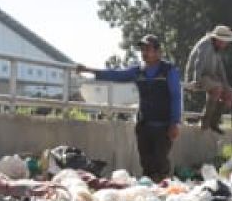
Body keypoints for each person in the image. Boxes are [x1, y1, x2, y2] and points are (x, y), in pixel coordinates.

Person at [75, 36, 182, 182]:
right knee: (145, 160)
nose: (144, 53)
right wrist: (90, 70)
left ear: (158, 52)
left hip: (163, 125)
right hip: (144, 123)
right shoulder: (138, 71)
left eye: (148, 49)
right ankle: (150, 189)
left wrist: (175, 123)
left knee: (160, 161)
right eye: (142, 49)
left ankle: (161, 186)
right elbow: (116, 74)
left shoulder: (168, 70)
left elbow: (176, 96)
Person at [184, 24, 232, 131]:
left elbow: (220, 69)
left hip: (209, 76)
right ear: (218, 39)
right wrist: (196, 80)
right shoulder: (206, 45)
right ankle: (205, 121)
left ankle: (214, 121)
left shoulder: (216, 49)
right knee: (217, 88)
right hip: (198, 75)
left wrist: (227, 87)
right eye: (225, 41)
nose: (226, 44)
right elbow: (199, 63)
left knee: (230, 94)